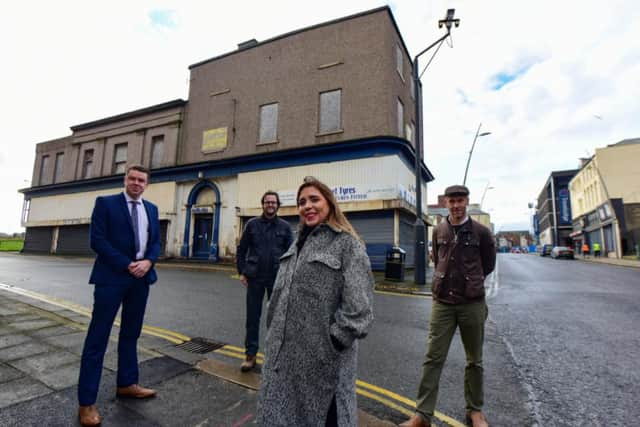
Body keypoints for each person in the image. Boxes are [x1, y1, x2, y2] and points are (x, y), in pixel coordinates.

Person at [257, 177, 374, 427]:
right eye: (301, 202)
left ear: (329, 203)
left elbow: (359, 311)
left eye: (314, 199)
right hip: (284, 361)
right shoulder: (296, 243)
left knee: (323, 419)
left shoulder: (347, 245)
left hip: (323, 364)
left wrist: (331, 343)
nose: (307, 206)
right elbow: (278, 296)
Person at [400, 185, 495, 427]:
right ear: (446, 203)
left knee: (475, 360)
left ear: (467, 201)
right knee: (433, 358)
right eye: (452, 201)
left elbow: (488, 264)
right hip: (443, 303)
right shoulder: (439, 230)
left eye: (460, 200)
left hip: (472, 303)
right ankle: (422, 415)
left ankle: (475, 411)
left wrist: (471, 282)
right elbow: (438, 258)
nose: (456, 205)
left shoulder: (482, 232)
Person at [77, 165, 161, 427]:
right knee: (97, 338)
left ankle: (127, 383)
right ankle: (87, 403)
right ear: (125, 180)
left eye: (141, 180)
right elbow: (97, 241)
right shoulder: (105, 203)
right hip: (112, 277)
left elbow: (156, 242)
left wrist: (148, 262)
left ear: (146, 184)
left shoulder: (152, 209)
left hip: (141, 279)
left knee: (131, 334)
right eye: (132, 178)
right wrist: (127, 264)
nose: (137, 183)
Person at [236, 191, 293, 371]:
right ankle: (250, 356)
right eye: (267, 202)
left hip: (277, 279)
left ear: (278, 205)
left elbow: (292, 253)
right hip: (254, 278)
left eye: (273, 202)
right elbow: (241, 249)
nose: (270, 205)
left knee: (276, 319)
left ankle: (274, 357)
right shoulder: (252, 225)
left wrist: (288, 277)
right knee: (253, 318)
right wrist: (242, 272)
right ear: (263, 204)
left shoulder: (285, 227)